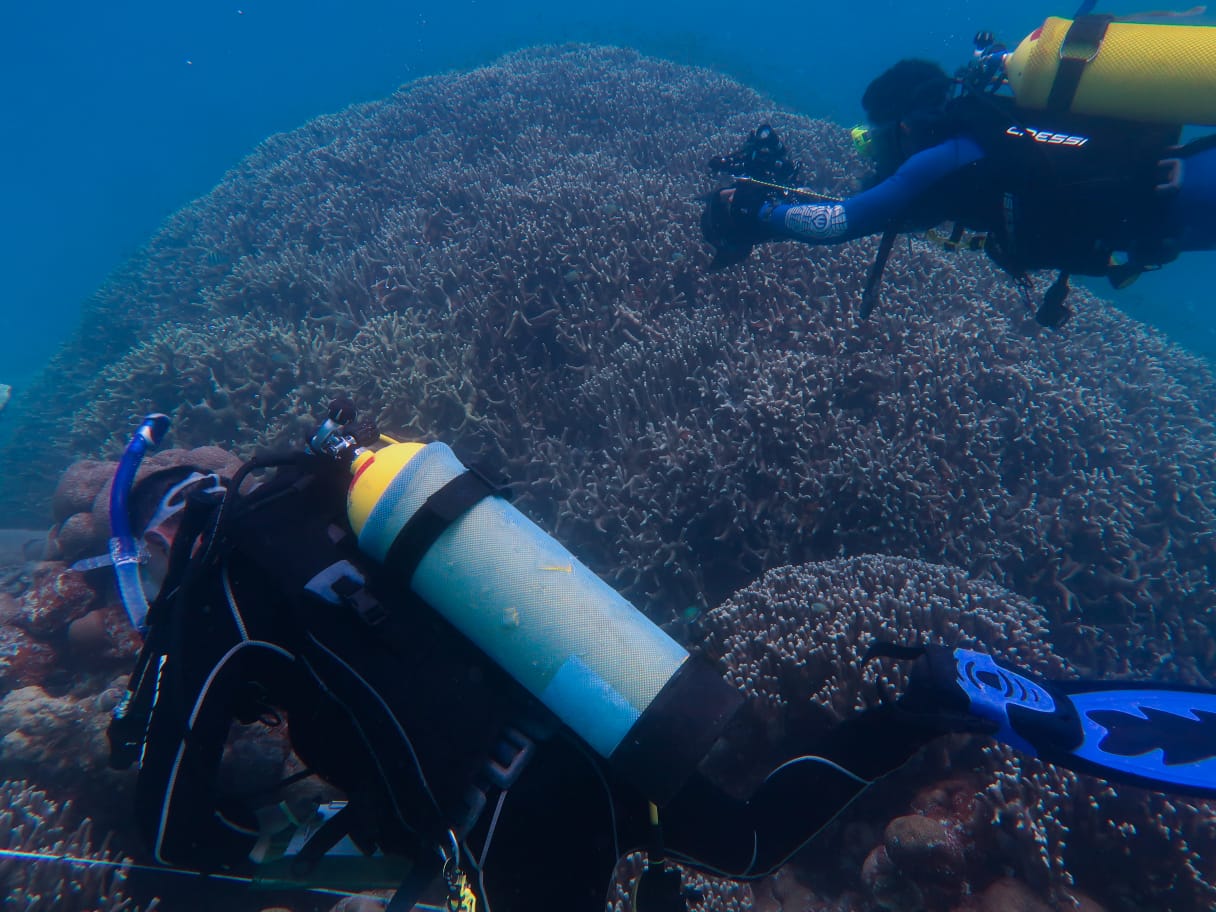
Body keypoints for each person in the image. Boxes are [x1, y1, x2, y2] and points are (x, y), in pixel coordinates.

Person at [95, 406, 1216, 912]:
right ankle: (929, 702)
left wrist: (242, 841)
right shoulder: (335, 504)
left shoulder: (219, 587)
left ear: (158, 536)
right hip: (594, 723)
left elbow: (171, 831)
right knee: (748, 841)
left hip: (506, 817)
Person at [702, 49, 1216, 327]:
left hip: (1182, 205)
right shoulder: (976, 140)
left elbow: (842, 221)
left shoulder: (947, 153)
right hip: (1178, 188)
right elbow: (880, 207)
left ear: (905, 123)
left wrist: (758, 211)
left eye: (879, 135)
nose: (879, 150)